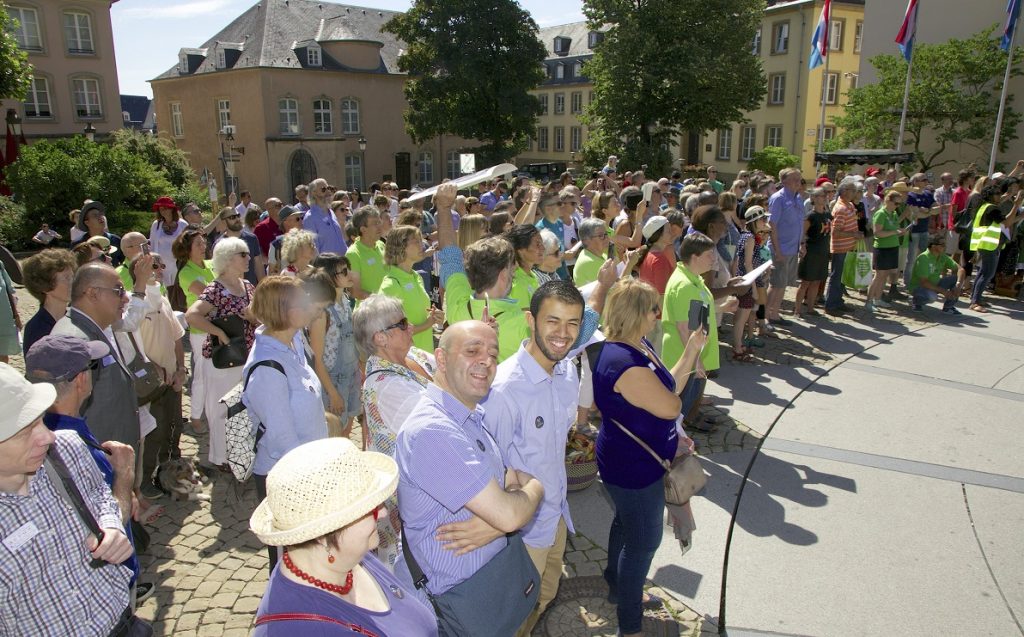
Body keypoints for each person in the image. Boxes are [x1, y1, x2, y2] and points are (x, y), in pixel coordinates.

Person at [396, 321, 544, 613]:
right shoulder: (434, 431)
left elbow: (507, 484)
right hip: (448, 607)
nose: (486, 362)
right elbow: (511, 511)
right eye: (472, 350)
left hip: (480, 593)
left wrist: (496, 525)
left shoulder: (467, 417)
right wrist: (537, 487)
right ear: (441, 359)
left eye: (492, 354)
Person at [592, 279, 706, 637]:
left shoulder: (634, 345)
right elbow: (672, 405)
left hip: (631, 459)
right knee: (643, 543)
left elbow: (668, 387)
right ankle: (630, 624)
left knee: (626, 525)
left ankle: (616, 585)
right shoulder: (626, 363)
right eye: (653, 308)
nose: (659, 314)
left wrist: (690, 350)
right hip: (634, 467)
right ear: (636, 313)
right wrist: (689, 356)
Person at [0, 363, 149, 636]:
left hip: (123, 624)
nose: (47, 436)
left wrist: (110, 525)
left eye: (41, 420)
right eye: (25, 431)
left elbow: (100, 495)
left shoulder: (67, 447)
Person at [472, 281, 585, 636]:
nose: (562, 334)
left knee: (544, 597)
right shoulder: (505, 389)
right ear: (529, 320)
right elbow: (488, 468)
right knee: (515, 617)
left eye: (572, 323)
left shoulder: (567, 371)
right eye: (552, 321)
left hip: (557, 516)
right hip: (523, 532)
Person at [249, 438, 436, 636]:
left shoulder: (349, 558)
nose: (382, 512)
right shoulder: (303, 630)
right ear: (323, 534)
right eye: (369, 508)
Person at [243, 275, 328, 571]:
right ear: (288, 312)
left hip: (309, 469)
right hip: (287, 478)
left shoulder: (293, 343)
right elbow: (282, 440)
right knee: (290, 563)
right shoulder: (267, 367)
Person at [354, 294, 437, 568]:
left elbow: (448, 365)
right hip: (409, 499)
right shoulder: (387, 386)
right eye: (402, 323)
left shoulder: (411, 355)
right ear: (380, 338)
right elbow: (437, 427)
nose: (411, 326)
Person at [50, 263, 145, 449]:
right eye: (118, 291)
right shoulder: (75, 341)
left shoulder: (90, 330)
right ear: (93, 293)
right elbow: (66, 417)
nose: (125, 298)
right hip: (98, 462)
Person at [185, 237, 257, 470]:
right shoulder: (215, 288)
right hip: (223, 359)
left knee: (244, 408)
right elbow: (192, 315)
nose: (248, 258)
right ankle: (222, 458)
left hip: (245, 356)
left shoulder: (247, 286)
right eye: (242, 254)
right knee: (221, 411)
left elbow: (259, 318)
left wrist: (252, 318)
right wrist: (219, 332)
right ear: (227, 259)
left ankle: (241, 453)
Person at [127, 253, 188, 498]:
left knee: (174, 428)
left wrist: (181, 370)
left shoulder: (163, 300)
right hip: (150, 384)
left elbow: (176, 338)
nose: (161, 268)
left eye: (162, 264)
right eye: (155, 265)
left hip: (172, 379)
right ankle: (144, 481)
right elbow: (132, 347)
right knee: (153, 433)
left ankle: (170, 476)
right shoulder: (135, 305)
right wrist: (157, 372)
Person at [662, 234, 720, 428]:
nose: (713, 258)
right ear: (695, 257)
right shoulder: (684, 285)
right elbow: (683, 327)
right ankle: (675, 442)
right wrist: (697, 361)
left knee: (685, 404)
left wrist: (721, 308)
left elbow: (698, 310)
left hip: (692, 354)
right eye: (709, 254)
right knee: (678, 405)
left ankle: (680, 434)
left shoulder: (693, 278)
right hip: (684, 355)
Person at [305, 258, 360, 436]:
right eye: (343, 272)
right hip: (333, 382)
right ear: (329, 277)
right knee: (333, 436)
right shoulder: (322, 313)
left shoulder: (345, 301)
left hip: (351, 376)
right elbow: (317, 359)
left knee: (347, 432)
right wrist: (333, 393)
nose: (350, 274)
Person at [380, 226, 443, 352]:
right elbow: (390, 331)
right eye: (416, 241)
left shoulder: (416, 276)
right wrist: (428, 323)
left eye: (421, 240)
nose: (422, 245)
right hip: (407, 360)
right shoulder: (390, 285)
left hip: (424, 355)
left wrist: (435, 316)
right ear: (400, 247)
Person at [969, 183, 1022, 313]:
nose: (1000, 196)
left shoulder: (984, 206)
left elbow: (1005, 221)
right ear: (990, 196)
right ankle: (975, 302)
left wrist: (1020, 215)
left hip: (984, 243)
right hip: (988, 245)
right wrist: (1016, 205)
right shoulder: (992, 209)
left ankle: (975, 298)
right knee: (988, 274)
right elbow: (1007, 222)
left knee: (983, 272)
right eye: (997, 194)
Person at [765, 168, 804, 324]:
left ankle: (774, 313)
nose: (798, 182)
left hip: (792, 249)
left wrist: (802, 243)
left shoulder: (798, 198)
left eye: (799, 179)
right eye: (795, 179)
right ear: (784, 181)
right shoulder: (778, 198)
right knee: (775, 284)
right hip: (780, 249)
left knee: (783, 285)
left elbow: (800, 224)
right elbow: (772, 225)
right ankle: (765, 316)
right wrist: (778, 250)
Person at [20, 249, 77, 355]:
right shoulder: (37, 329)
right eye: (66, 278)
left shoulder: (74, 320)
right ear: (45, 286)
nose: (73, 283)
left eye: (72, 277)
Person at [865, 189, 912, 313]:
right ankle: (869, 301)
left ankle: (878, 298)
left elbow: (894, 228)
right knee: (878, 275)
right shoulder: (881, 214)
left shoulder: (894, 214)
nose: (898, 206)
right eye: (896, 203)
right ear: (888, 201)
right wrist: (895, 232)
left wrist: (901, 231)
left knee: (885, 275)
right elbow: (877, 233)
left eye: (899, 204)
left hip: (893, 247)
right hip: (882, 248)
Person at [824, 181, 865, 316]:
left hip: (849, 246)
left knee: (843, 277)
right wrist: (853, 234)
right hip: (840, 248)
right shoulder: (841, 208)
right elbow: (835, 232)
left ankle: (838, 302)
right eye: (853, 190)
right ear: (845, 191)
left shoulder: (850, 205)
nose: (856, 193)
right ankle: (831, 305)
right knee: (837, 277)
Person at [795, 187, 832, 318]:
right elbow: (802, 233)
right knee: (806, 282)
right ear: (814, 198)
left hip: (823, 251)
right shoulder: (810, 216)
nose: (825, 197)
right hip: (811, 252)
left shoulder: (827, 215)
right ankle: (797, 310)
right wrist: (802, 246)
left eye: (825, 195)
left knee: (817, 281)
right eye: (822, 195)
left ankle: (811, 308)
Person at [910, 234, 962, 314]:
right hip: (919, 287)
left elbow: (960, 270)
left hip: (935, 284)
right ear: (933, 246)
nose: (945, 247)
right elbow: (924, 282)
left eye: (945, 244)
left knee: (956, 279)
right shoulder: (923, 258)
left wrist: (958, 285)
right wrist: (943, 291)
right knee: (932, 297)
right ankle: (917, 302)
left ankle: (948, 307)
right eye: (942, 245)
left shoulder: (942, 256)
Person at [216, 206, 265, 285]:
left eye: (238, 215)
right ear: (224, 222)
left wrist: (263, 289)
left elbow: (259, 268)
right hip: (230, 292)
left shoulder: (252, 238)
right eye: (232, 217)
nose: (237, 219)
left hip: (251, 291)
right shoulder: (219, 244)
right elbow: (218, 272)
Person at [149, 196, 189, 293]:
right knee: (163, 291)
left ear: (172, 209)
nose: (163, 211)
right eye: (161, 209)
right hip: (161, 265)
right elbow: (153, 244)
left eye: (166, 208)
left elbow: (188, 243)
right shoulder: (156, 224)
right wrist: (153, 262)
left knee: (178, 290)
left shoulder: (183, 224)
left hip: (178, 264)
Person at [347, 206, 387, 300]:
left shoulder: (381, 244)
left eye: (379, 222)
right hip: (369, 311)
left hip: (388, 308)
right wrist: (382, 301)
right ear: (363, 229)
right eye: (375, 223)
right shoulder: (352, 254)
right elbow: (355, 292)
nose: (379, 226)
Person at [303, 178, 348, 256]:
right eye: (323, 189)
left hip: (342, 262)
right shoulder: (310, 218)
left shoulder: (331, 212)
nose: (328, 192)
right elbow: (313, 250)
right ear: (314, 193)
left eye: (328, 188)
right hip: (327, 266)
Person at [71, 201, 124, 266]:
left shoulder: (116, 240)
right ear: (87, 222)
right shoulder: (78, 244)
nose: (100, 217)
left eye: (100, 214)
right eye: (95, 215)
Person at [505, 224, 545, 311]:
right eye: (538, 244)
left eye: (542, 243)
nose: (543, 248)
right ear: (520, 250)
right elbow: (526, 318)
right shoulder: (517, 282)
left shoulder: (532, 274)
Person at [266, 206, 304, 275]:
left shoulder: (307, 242)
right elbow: (272, 274)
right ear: (286, 222)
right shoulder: (277, 245)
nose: (301, 221)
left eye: (302, 218)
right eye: (298, 219)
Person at [573, 218, 611, 287]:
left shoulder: (600, 254)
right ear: (586, 241)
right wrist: (628, 265)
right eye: (601, 236)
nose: (607, 238)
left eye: (606, 234)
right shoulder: (588, 262)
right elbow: (616, 289)